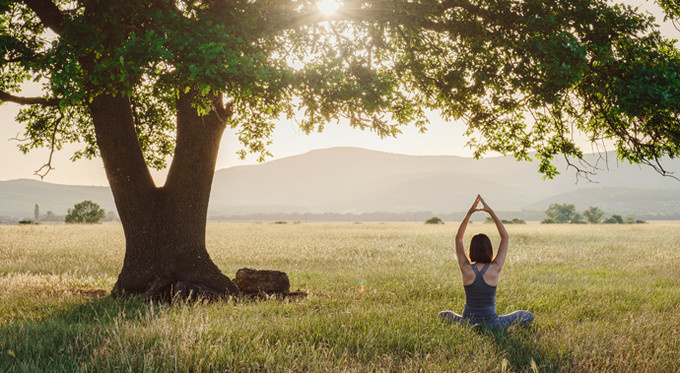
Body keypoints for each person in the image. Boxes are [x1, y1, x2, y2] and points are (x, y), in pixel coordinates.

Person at [439, 195, 534, 329]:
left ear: (471, 250)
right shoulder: (495, 268)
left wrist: (469, 213)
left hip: (467, 322)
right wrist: (490, 212)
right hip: (492, 323)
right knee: (527, 315)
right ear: (490, 249)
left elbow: (458, 238)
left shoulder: (465, 268)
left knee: (443, 314)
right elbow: (505, 237)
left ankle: (468, 324)